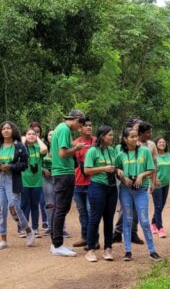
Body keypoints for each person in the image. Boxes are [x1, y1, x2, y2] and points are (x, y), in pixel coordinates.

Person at [115, 127, 161, 261]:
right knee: (127, 220)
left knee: (144, 221)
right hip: (126, 190)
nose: (135, 139)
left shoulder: (144, 151)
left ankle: (152, 251)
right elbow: (116, 169)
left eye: (136, 136)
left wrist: (141, 175)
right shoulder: (120, 154)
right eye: (132, 137)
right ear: (125, 139)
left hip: (140, 190)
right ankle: (128, 251)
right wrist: (122, 176)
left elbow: (151, 168)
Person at [0, 121, 35, 250]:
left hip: (12, 179)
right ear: (1, 132)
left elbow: (25, 164)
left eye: (8, 128)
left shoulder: (20, 146)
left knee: (14, 206)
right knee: (0, 208)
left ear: (13, 130)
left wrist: (11, 166)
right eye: (3, 128)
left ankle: (28, 230)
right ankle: (3, 239)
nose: (6, 130)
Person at [48, 109, 87, 257]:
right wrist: (76, 148)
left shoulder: (59, 128)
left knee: (59, 208)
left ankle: (55, 243)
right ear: (77, 120)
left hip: (60, 172)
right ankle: (58, 244)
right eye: (80, 125)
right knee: (61, 209)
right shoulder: (64, 129)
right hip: (63, 173)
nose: (79, 128)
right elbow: (63, 153)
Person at [83, 125, 119, 262]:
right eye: (109, 135)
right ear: (102, 136)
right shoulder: (93, 151)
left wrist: (117, 170)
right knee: (95, 218)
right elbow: (86, 170)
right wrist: (104, 168)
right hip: (97, 187)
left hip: (112, 188)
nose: (112, 137)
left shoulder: (112, 150)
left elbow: (116, 166)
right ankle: (91, 249)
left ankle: (108, 248)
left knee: (109, 219)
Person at [114, 118, 146, 245]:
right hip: (124, 180)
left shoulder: (142, 147)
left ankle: (133, 232)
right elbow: (117, 165)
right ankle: (117, 232)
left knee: (137, 207)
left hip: (139, 181)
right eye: (136, 128)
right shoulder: (119, 147)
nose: (138, 130)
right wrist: (122, 177)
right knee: (125, 207)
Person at [71, 118, 95, 248]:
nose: (89, 128)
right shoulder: (74, 143)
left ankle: (94, 239)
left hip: (92, 182)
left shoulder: (96, 142)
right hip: (77, 182)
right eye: (86, 126)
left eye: (90, 125)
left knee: (92, 211)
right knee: (82, 212)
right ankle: (84, 237)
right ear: (80, 128)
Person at [20, 127, 46, 238]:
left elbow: (44, 149)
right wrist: (23, 139)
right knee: (24, 205)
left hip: (37, 182)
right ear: (25, 136)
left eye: (33, 134)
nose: (31, 135)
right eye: (29, 134)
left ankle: (35, 228)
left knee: (35, 205)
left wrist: (38, 138)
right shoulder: (22, 149)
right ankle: (24, 228)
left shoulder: (37, 147)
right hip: (24, 181)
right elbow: (18, 148)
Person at [151, 137, 170, 239]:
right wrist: (153, 180)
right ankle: (160, 228)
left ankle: (153, 223)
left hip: (166, 183)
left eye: (163, 142)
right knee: (158, 206)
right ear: (156, 144)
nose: (162, 143)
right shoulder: (153, 156)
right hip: (156, 184)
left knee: (161, 205)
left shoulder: (168, 155)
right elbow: (150, 169)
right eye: (160, 142)